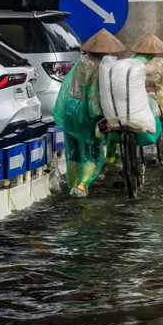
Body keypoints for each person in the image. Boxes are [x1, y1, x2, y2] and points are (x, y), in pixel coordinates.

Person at [52, 28, 125, 198]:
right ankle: (82, 184)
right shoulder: (100, 67)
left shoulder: (82, 61)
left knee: (73, 149)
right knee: (92, 149)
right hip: (84, 111)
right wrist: (99, 117)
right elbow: (94, 96)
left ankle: (72, 183)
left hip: (70, 109)